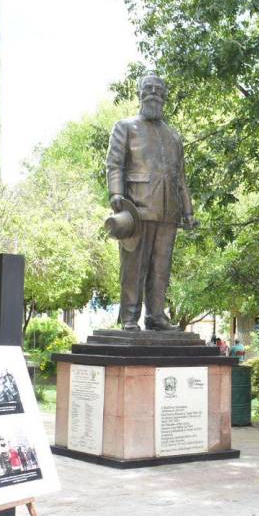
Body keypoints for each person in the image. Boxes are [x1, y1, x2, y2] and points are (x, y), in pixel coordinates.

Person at [106, 73, 197, 331]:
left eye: (159, 89)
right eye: (149, 88)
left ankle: (156, 315)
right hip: (136, 209)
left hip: (168, 212)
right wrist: (116, 195)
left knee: (161, 268)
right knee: (134, 267)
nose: (154, 92)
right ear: (140, 92)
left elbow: (180, 178)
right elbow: (114, 165)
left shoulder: (174, 136)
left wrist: (188, 212)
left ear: (165, 96)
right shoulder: (125, 127)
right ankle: (129, 318)